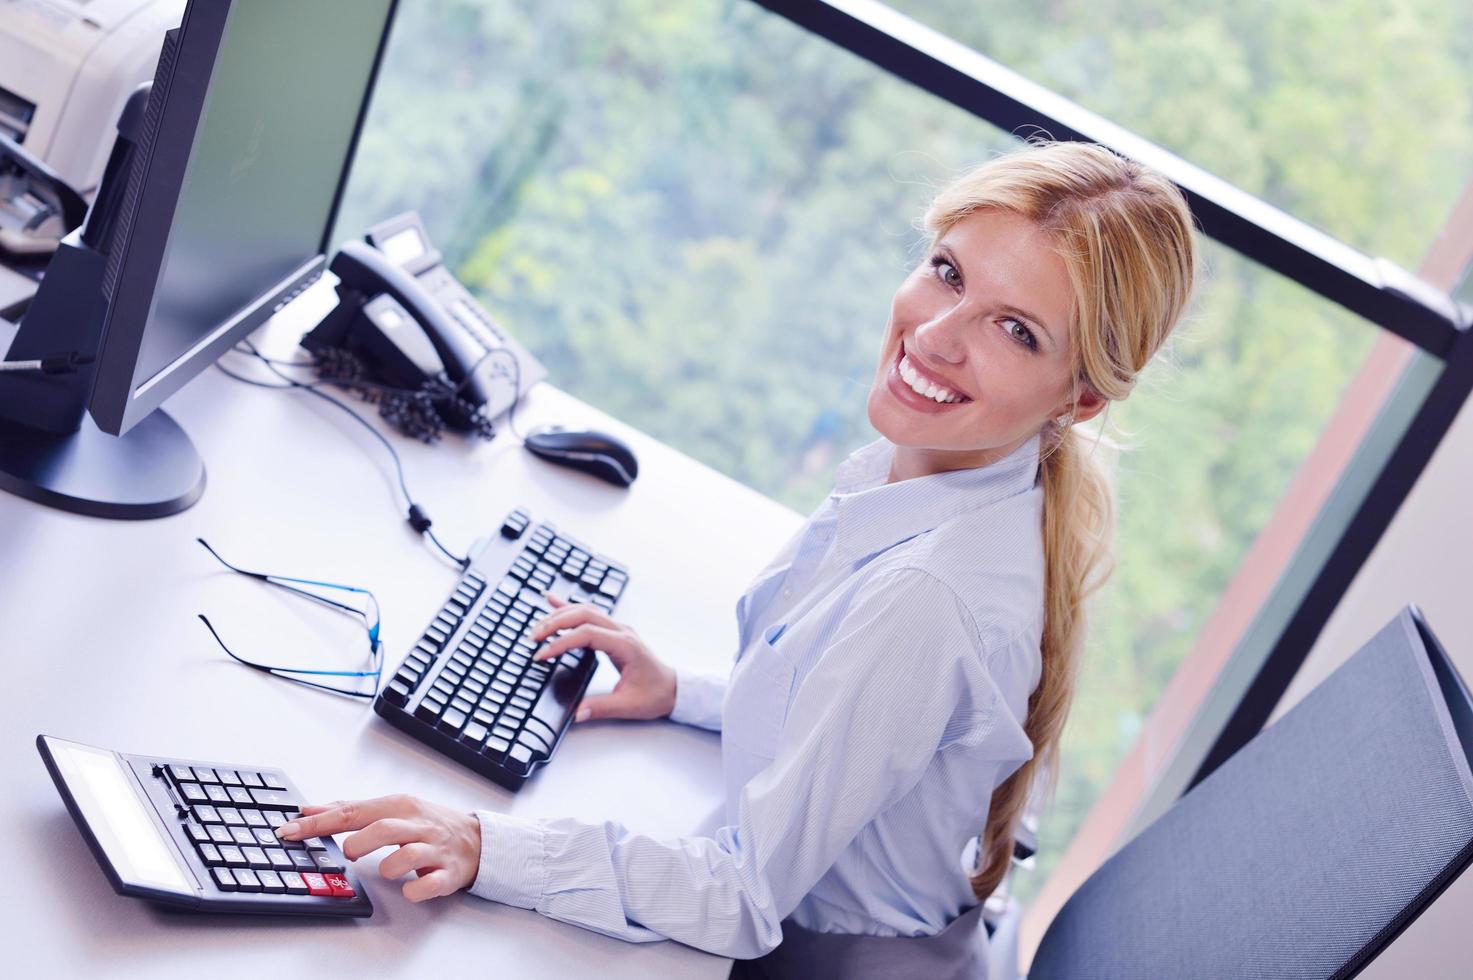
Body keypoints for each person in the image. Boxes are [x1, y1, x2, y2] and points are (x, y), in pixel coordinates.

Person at [276, 140, 1200, 978]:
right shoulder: (937, 473)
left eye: (1015, 330)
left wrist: (486, 845)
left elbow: (742, 896)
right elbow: (854, 719)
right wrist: (685, 692)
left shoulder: (930, 595)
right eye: (947, 273)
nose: (936, 335)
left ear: (1075, 401)